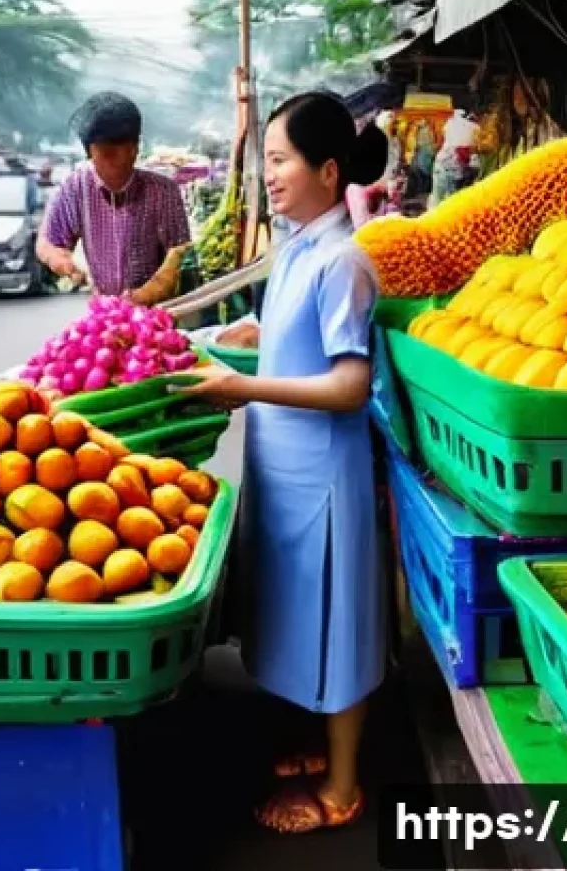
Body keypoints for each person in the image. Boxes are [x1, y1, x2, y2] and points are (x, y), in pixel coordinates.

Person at [178, 91, 389, 834]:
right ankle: (314, 741)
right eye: (266, 159)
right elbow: (292, 337)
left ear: (328, 171)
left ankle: (342, 788)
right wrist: (243, 338)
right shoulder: (299, 246)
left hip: (324, 478)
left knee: (337, 627)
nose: (268, 174)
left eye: (280, 160)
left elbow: (349, 385)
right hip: (284, 470)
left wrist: (242, 388)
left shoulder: (343, 260)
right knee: (296, 613)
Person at [36, 92, 191, 297]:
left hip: (159, 307)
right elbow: (48, 243)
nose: (119, 162)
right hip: (107, 308)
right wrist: (63, 263)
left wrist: (147, 294)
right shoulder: (76, 187)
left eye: (127, 150)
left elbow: (181, 254)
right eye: (107, 153)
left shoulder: (164, 192)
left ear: (136, 148)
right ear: (90, 152)